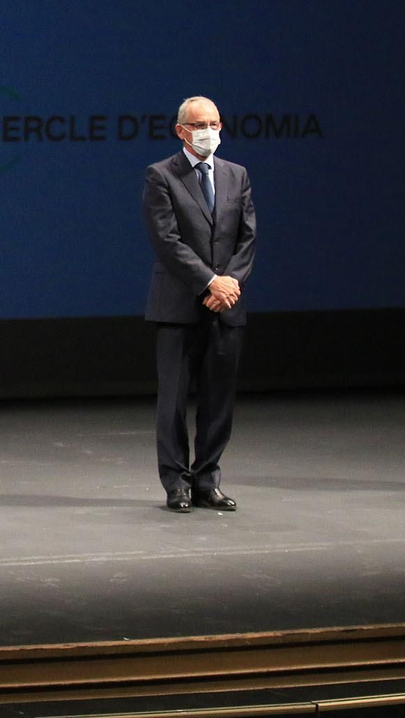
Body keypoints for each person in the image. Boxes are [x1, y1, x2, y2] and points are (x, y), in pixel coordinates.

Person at [141, 95, 256, 513]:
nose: (209, 131)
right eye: (199, 124)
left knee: (218, 398)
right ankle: (177, 484)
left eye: (215, 123)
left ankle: (208, 479)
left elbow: (247, 238)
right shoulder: (161, 176)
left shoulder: (236, 174)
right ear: (181, 131)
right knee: (173, 401)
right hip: (178, 306)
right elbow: (166, 241)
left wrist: (229, 285)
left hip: (226, 305)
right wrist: (209, 281)